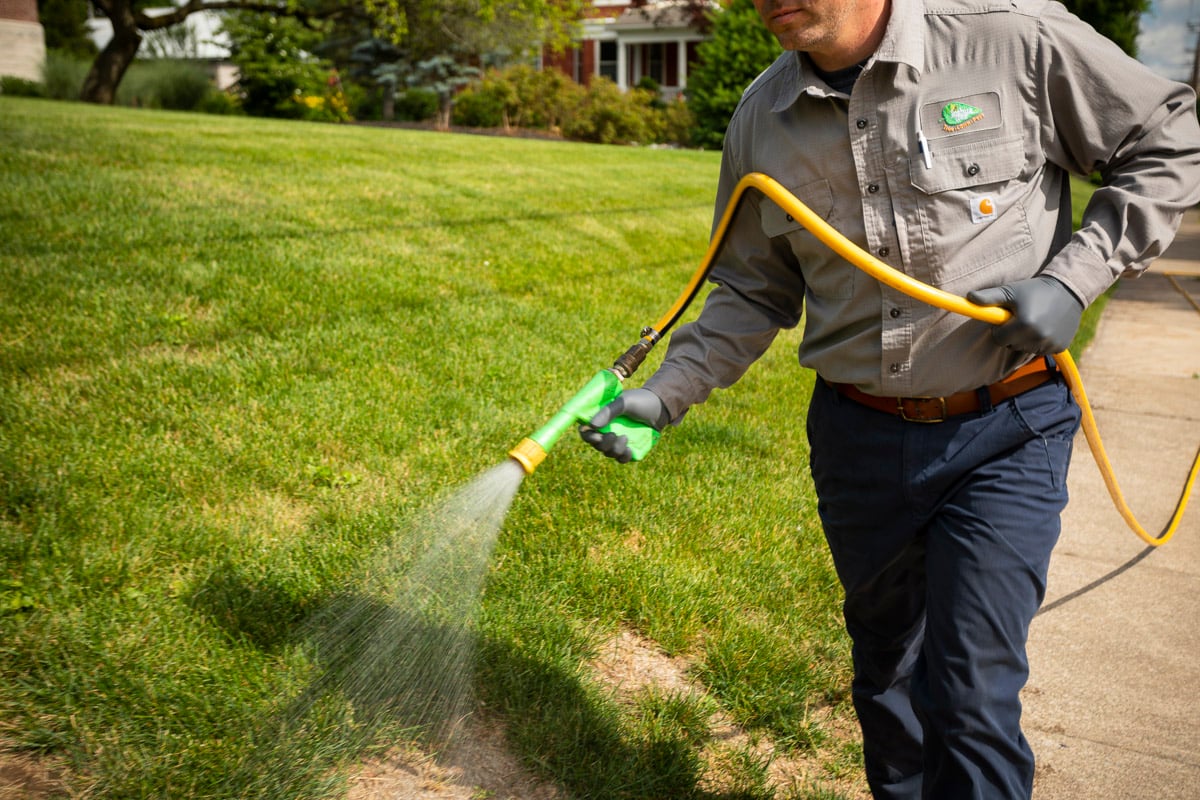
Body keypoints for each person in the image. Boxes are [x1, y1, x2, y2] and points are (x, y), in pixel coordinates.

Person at [580, 0, 1200, 797]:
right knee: (887, 677)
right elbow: (750, 287)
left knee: (971, 693)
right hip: (857, 441)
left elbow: (1169, 136)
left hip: (1007, 426)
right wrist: (666, 393)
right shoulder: (762, 118)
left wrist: (1071, 280)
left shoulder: (1012, 37)